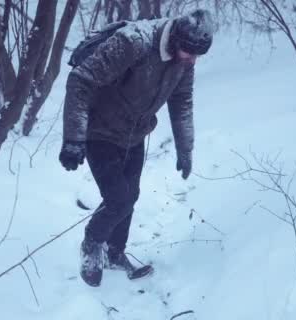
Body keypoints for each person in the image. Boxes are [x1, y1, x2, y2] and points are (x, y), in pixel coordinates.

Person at [60, 9, 213, 287]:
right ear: (177, 37)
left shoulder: (185, 61)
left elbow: (182, 101)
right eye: (189, 52)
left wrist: (185, 148)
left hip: (134, 133)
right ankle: (91, 244)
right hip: (100, 130)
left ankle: (115, 252)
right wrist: (74, 137)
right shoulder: (134, 42)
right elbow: (81, 79)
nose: (192, 60)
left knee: (131, 195)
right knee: (119, 198)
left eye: (197, 55)